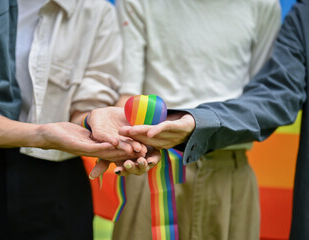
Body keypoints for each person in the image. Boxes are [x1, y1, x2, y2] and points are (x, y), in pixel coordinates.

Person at [0, 0, 146, 240]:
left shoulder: (96, 12)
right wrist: (41, 133)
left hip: (58, 181)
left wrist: (96, 123)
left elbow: (87, 105)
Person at [119, 0, 309, 238]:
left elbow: (264, 98)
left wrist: (199, 122)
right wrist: (124, 141)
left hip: (230, 173)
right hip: (156, 169)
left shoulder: (264, 5)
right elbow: (128, 94)